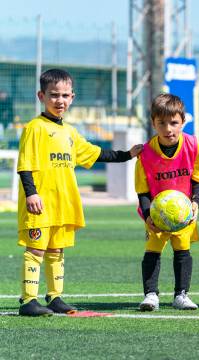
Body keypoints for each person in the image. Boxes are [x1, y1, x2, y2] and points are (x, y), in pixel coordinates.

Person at [17, 69, 142, 316]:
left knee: (56, 251)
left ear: (72, 97)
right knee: (36, 250)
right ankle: (28, 300)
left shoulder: (70, 132)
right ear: (41, 96)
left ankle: (54, 297)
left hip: (63, 204)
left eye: (65, 95)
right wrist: (31, 194)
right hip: (40, 203)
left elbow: (95, 154)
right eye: (53, 95)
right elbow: (25, 164)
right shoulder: (35, 127)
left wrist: (127, 154)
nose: (59, 100)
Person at [136, 94, 199, 311]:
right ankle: (150, 295)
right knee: (152, 250)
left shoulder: (193, 145)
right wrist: (148, 215)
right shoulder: (146, 153)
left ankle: (181, 295)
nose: (168, 129)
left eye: (174, 123)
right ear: (153, 123)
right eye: (162, 123)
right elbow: (142, 190)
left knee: (182, 250)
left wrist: (196, 202)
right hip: (156, 214)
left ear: (183, 121)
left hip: (184, 213)